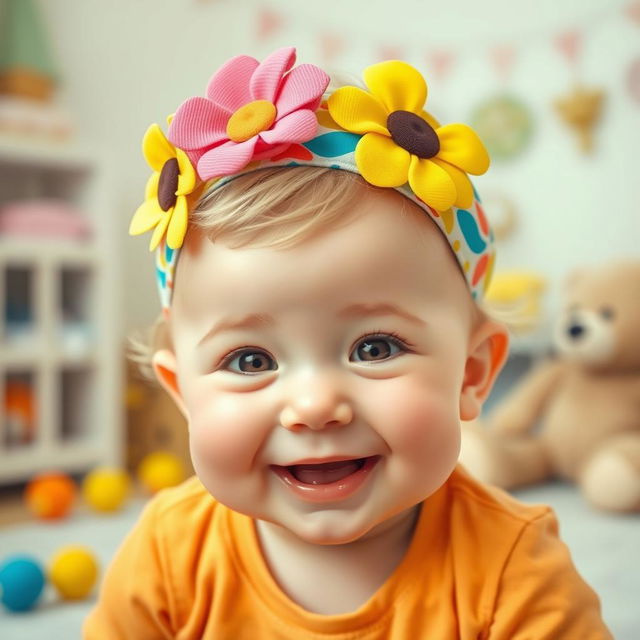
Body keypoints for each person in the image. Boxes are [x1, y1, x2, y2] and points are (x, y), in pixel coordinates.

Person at [84, 47, 612, 639]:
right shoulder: (167, 556)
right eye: (250, 360)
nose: (313, 406)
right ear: (183, 393)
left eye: (375, 348)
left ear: (471, 373)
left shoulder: (516, 571)